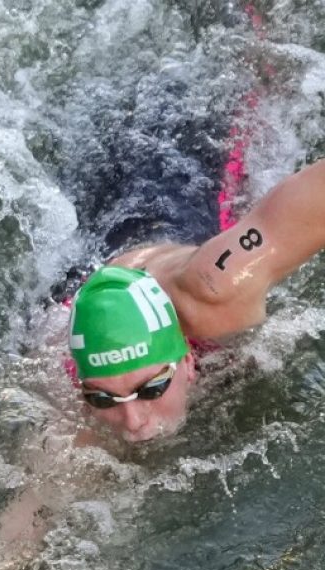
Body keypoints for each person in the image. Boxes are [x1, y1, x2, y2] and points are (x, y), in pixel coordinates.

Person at [66, 158, 325, 444]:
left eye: (152, 388)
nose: (134, 422)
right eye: (104, 399)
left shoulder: (215, 292)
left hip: (181, 180)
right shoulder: (64, 386)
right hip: (96, 235)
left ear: (188, 360)